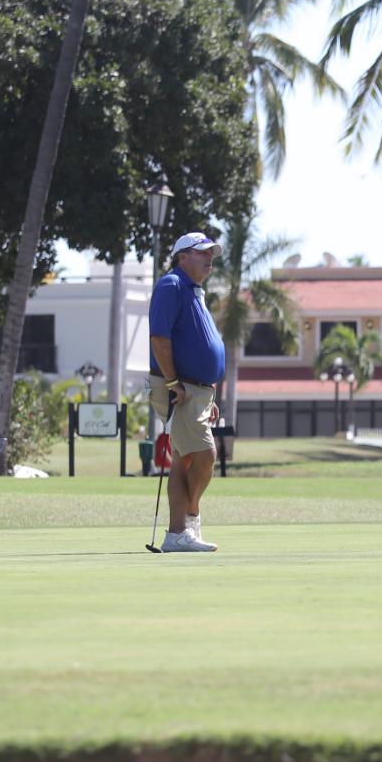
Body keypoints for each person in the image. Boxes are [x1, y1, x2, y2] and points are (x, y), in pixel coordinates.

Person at [148, 230, 226, 552]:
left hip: (197, 391)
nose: (209, 258)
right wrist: (171, 383)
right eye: (202, 252)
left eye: (211, 254)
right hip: (179, 388)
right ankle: (185, 523)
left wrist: (209, 393)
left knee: (185, 459)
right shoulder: (172, 284)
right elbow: (159, 339)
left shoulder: (195, 291)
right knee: (205, 454)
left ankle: (179, 532)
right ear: (183, 257)